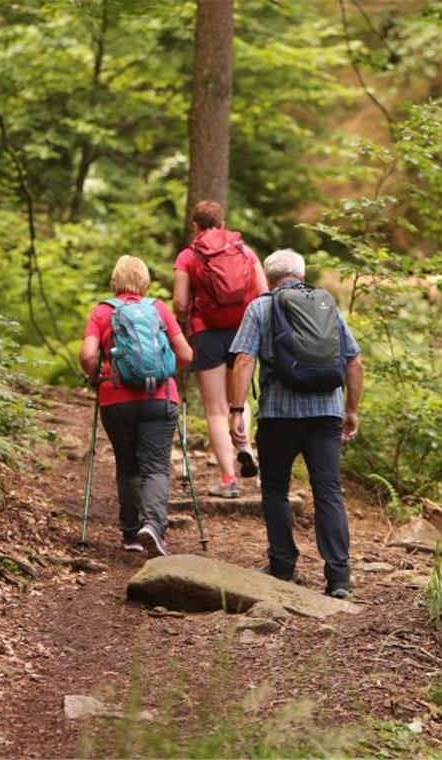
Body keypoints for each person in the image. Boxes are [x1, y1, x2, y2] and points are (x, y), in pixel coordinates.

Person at [227, 249, 364, 599]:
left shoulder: (261, 307)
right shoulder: (326, 305)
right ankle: (338, 578)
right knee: (328, 490)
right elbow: (354, 362)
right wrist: (351, 410)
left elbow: (244, 359)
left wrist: (236, 409)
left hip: (279, 415)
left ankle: (283, 565)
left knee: (275, 489)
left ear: (269, 278)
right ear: (302, 275)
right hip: (326, 413)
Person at [80, 255, 193, 557]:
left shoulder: (102, 312)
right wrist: (165, 371)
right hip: (159, 397)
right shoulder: (158, 309)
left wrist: (95, 378)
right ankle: (153, 526)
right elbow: (186, 354)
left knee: (127, 465)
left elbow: (89, 355)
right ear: (145, 281)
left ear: (115, 280)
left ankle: (131, 533)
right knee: (156, 466)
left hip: (115, 399)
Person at [173, 200, 269, 498]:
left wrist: (184, 321)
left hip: (208, 334)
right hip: (244, 331)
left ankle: (228, 480)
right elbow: (265, 292)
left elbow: (178, 302)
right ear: (222, 223)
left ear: (195, 226)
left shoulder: (188, 256)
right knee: (238, 402)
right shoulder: (244, 250)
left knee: (215, 410)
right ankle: (245, 446)